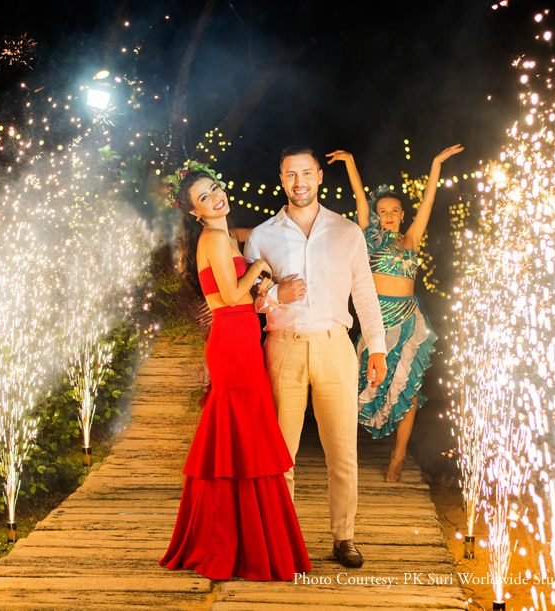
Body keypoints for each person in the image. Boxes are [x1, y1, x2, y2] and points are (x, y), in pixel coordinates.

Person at [159, 161, 312, 581]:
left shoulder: (224, 236)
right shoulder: (212, 238)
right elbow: (229, 295)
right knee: (237, 433)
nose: (215, 198)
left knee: (245, 435)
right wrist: (258, 269)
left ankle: (246, 537)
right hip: (231, 341)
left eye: (214, 188)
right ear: (194, 211)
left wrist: (258, 280)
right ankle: (229, 541)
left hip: (241, 337)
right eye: (203, 197)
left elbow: (237, 294)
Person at [243, 147, 387, 569]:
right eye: (291, 174)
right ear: (281, 179)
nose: (299, 181)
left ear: (320, 176)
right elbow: (248, 300)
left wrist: (377, 346)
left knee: (342, 453)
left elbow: (364, 292)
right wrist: (275, 294)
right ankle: (281, 539)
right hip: (282, 347)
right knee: (280, 456)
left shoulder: (347, 231)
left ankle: (344, 536)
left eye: (306, 173)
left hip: (335, 346)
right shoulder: (262, 236)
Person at [326, 145, 462, 483]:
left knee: (407, 389)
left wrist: (436, 163)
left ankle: (398, 457)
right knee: (360, 384)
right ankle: (344, 456)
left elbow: (428, 201)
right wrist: (351, 162)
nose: (388, 215)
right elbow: (360, 199)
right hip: (377, 321)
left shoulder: (411, 239)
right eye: (382, 211)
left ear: (402, 214)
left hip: (407, 321)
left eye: (394, 211)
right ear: (377, 215)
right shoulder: (368, 240)